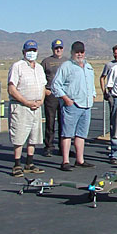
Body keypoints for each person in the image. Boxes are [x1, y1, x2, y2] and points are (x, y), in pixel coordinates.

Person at [52, 41, 96, 171]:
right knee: (67, 134)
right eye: (77, 52)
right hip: (72, 105)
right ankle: (65, 161)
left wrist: (93, 94)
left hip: (86, 105)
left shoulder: (89, 66)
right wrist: (65, 99)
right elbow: (56, 85)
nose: (79, 54)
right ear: (72, 52)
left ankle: (80, 160)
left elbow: (91, 83)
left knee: (81, 135)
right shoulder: (66, 66)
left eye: (81, 52)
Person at [7, 40, 46, 177]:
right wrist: (26, 102)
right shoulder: (17, 66)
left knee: (33, 136)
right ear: (23, 52)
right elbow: (12, 88)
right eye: (29, 51)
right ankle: (17, 164)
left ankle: (29, 163)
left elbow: (42, 86)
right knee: (19, 135)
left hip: (36, 107)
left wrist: (41, 100)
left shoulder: (39, 68)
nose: (31, 53)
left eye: (34, 50)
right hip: (21, 106)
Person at [40, 39, 68, 157]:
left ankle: (63, 148)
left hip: (63, 95)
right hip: (51, 94)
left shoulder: (68, 61)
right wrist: (44, 90)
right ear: (52, 49)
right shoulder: (46, 61)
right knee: (50, 121)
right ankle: (49, 146)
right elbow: (40, 78)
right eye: (56, 48)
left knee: (64, 122)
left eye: (60, 48)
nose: (58, 50)